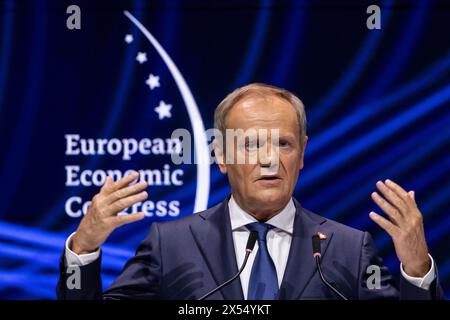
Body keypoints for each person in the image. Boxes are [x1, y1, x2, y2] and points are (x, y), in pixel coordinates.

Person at [57, 83, 444, 300]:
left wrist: (415, 269)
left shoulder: (349, 248)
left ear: (303, 154)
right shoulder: (171, 244)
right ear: (221, 157)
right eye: (251, 145)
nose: (270, 160)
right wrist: (84, 250)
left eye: (284, 145)